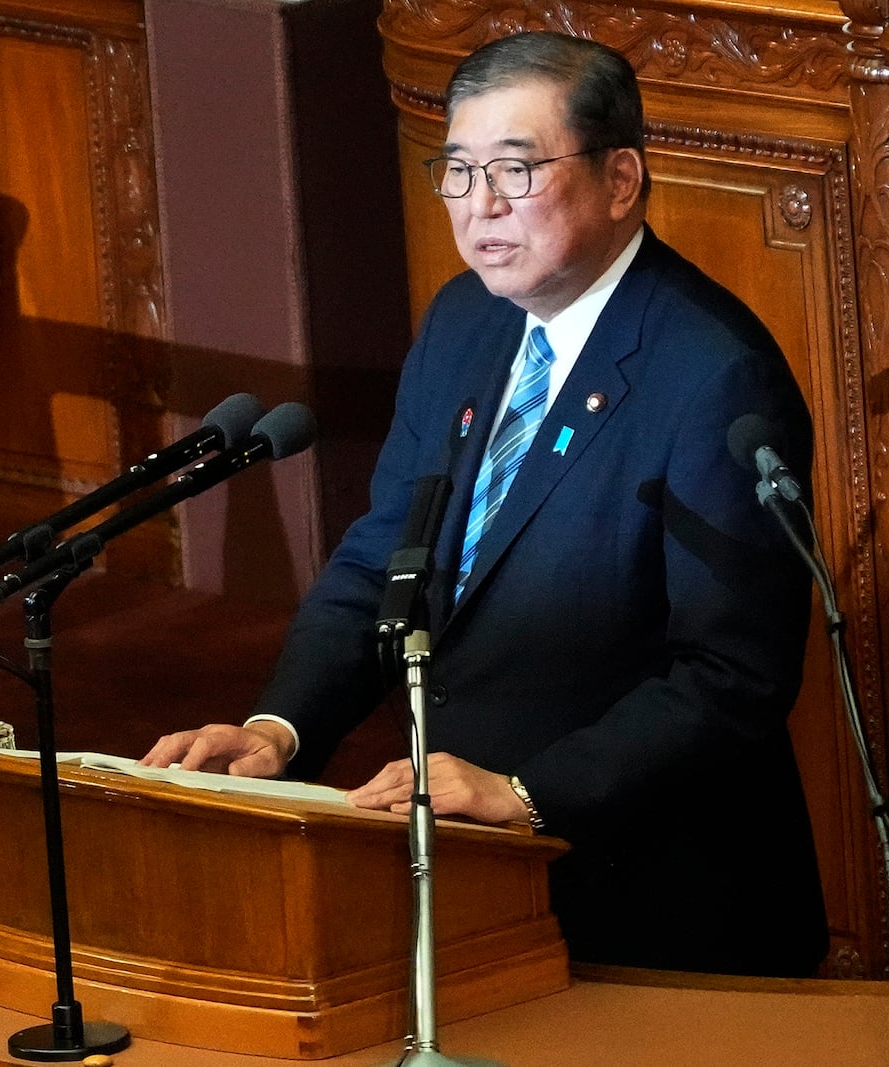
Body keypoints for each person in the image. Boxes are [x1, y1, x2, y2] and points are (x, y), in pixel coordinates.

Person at [142, 30, 828, 978]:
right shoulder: (467, 319)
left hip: (653, 902)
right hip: (472, 887)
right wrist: (277, 732)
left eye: (515, 168)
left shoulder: (712, 374)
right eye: (458, 172)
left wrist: (526, 793)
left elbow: (730, 677)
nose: (482, 207)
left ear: (621, 179)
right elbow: (386, 555)